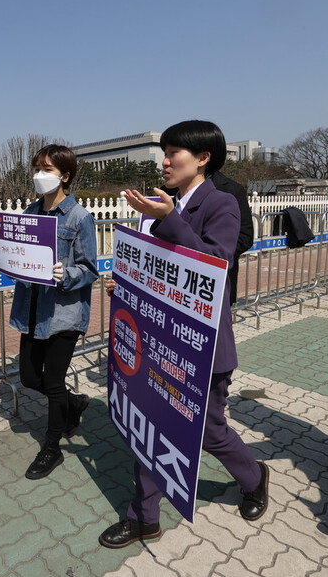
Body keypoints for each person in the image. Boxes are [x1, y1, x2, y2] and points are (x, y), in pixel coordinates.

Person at [99, 120, 269, 549]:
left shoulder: (221, 204)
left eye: (173, 152)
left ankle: (254, 476)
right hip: (159, 340)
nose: (164, 161)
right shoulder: (161, 206)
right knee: (152, 424)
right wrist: (128, 281)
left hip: (203, 347)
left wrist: (170, 220)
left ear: (203, 158)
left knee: (209, 430)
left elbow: (213, 264)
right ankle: (145, 517)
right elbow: (159, 271)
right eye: (164, 151)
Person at [0, 144, 99, 480]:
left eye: (47, 169)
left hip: (64, 313)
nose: (40, 175)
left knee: (51, 382)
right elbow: (23, 261)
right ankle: (73, 404)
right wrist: (3, 262)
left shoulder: (79, 218)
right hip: (32, 310)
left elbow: (90, 268)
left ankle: (52, 447)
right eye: (37, 167)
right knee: (29, 377)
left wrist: (66, 274)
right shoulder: (29, 212)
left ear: (64, 176)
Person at [210, 170, 254, 305]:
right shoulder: (171, 190)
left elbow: (245, 236)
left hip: (217, 281)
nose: (167, 161)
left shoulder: (232, 190)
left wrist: (214, 256)